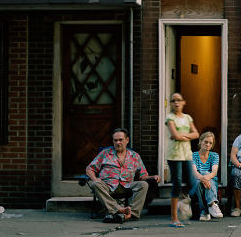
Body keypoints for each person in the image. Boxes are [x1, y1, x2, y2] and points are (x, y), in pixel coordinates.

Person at [85, 128, 158, 223]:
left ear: (127, 140)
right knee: (95, 184)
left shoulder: (135, 156)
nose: (118, 142)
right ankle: (119, 210)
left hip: (127, 186)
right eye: (115, 140)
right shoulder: (105, 154)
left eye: (120, 140)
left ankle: (131, 214)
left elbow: (143, 175)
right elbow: (89, 169)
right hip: (108, 186)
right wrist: (95, 179)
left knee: (143, 184)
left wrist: (153, 177)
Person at [166, 92, 200, 227]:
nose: (176, 103)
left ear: (183, 102)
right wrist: (186, 136)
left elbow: (196, 134)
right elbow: (174, 135)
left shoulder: (188, 117)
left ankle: (182, 204)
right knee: (177, 183)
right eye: (173, 100)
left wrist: (182, 136)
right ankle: (174, 218)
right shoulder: (170, 117)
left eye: (179, 100)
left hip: (187, 154)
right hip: (174, 155)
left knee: (192, 182)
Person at [191, 131, 223, 220]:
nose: (208, 144)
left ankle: (204, 211)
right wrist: (203, 179)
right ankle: (212, 205)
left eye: (210, 143)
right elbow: (194, 172)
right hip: (198, 180)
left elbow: (214, 172)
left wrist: (204, 178)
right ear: (200, 141)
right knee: (198, 182)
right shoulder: (193, 155)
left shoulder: (214, 155)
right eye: (205, 142)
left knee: (203, 175)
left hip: (211, 181)